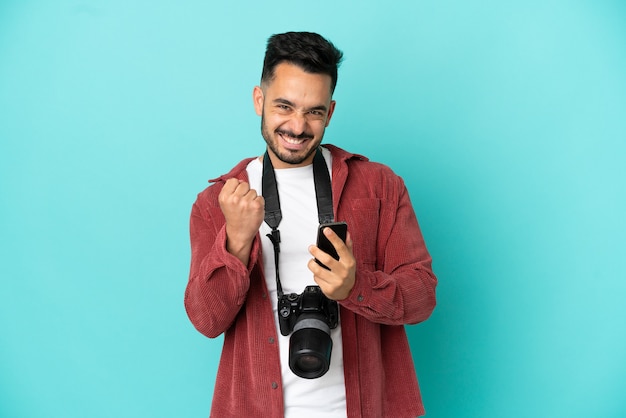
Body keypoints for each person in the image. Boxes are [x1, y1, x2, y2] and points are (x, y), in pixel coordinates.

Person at [184, 31, 437, 417]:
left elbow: (422, 297)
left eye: (314, 111)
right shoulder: (217, 203)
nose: (298, 127)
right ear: (259, 100)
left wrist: (356, 287)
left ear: (330, 112)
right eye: (284, 106)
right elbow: (207, 319)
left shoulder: (380, 186)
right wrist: (236, 239)